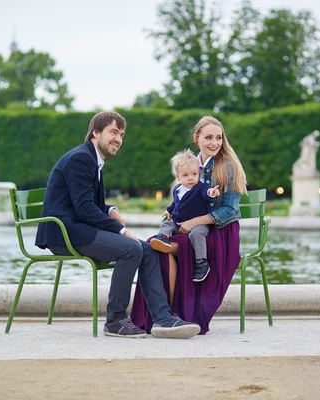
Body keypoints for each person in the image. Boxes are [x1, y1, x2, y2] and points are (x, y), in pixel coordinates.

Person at [35, 111, 200, 339]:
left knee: (149, 249)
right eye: (113, 132)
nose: (118, 139)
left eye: (121, 135)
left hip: (78, 228)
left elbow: (86, 203)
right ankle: (115, 320)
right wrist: (123, 231)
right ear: (95, 132)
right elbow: (83, 209)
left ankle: (163, 319)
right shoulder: (81, 158)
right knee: (131, 248)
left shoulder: (93, 160)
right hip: (65, 233)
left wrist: (110, 209)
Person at [131, 115, 248, 334]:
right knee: (152, 247)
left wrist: (194, 221)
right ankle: (165, 315)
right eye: (209, 137)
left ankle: (171, 314)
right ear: (197, 138)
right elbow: (183, 196)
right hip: (190, 227)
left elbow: (230, 210)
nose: (215, 142)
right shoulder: (190, 164)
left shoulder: (228, 165)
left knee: (176, 247)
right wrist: (169, 212)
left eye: (219, 137)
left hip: (219, 232)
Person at [150, 149, 220, 282]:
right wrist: (168, 211)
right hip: (178, 223)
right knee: (167, 224)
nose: (190, 178)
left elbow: (206, 194)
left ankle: (202, 263)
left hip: (197, 224)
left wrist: (212, 192)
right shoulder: (177, 189)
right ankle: (163, 238)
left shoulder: (201, 188)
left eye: (194, 174)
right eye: (186, 175)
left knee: (197, 233)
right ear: (178, 177)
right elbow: (175, 203)